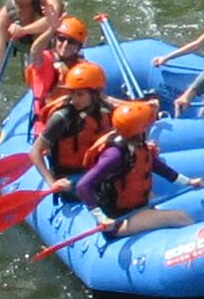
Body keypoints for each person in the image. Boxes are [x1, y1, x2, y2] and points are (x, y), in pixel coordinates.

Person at [59, 97, 196, 237]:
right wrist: (101, 218)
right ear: (139, 129)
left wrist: (188, 181)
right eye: (147, 125)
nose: (149, 127)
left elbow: (159, 167)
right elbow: (83, 185)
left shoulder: (138, 146)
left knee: (153, 198)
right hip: (119, 220)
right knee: (181, 217)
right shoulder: (115, 155)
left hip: (136, 208)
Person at [32, 59, 115, 186]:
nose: (75, 99)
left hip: (95, 171)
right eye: (72, 94)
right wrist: (52, 182)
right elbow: (35, 152)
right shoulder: (62, 118)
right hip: (69, 177)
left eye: (80, 95)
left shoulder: (104, 109)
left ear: (95, 94)